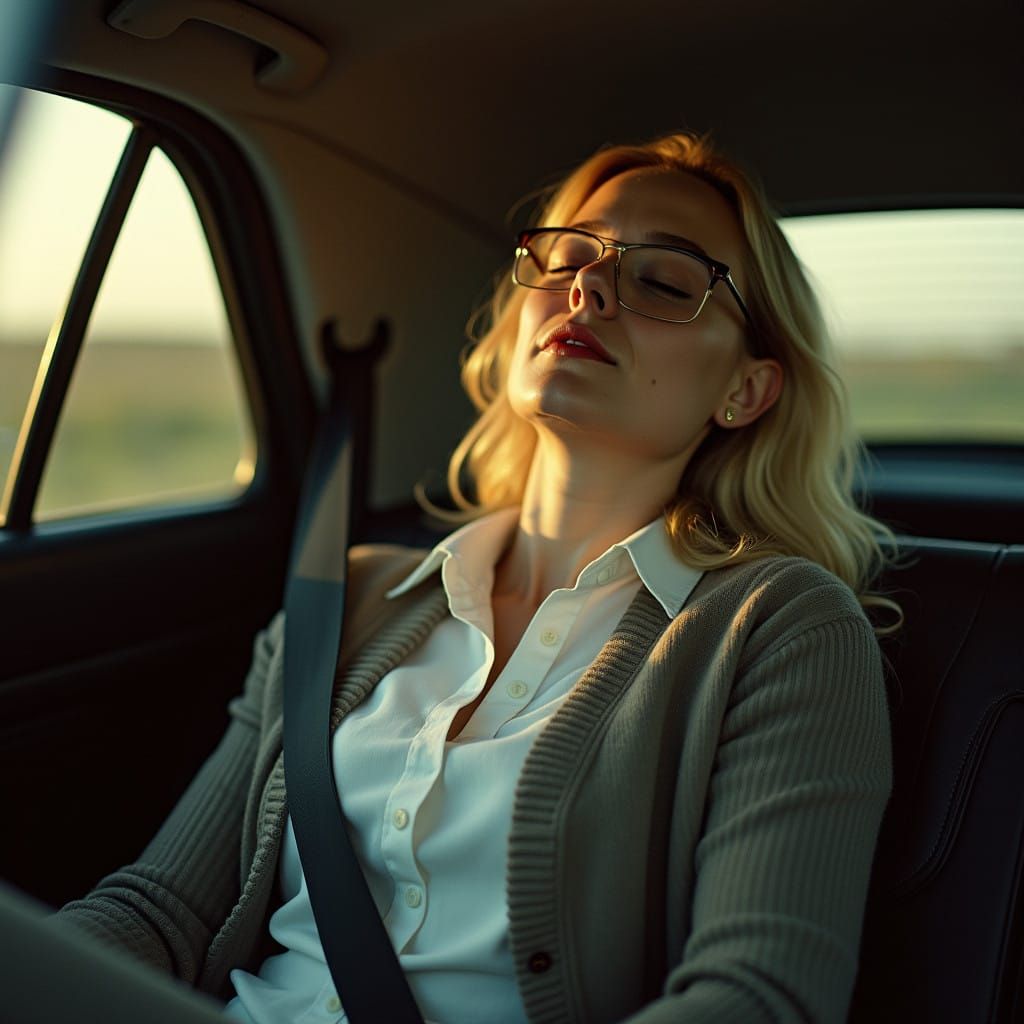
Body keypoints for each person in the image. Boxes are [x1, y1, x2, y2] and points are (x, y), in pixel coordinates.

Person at [57, 132, 895, 1023]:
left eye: (663, 281)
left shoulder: (782, 628)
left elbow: (757, 1002)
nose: (591, 287)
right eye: (569, 256)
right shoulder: (346, 599)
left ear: (747, 389)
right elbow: (159, 911)